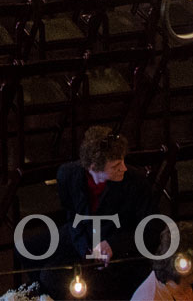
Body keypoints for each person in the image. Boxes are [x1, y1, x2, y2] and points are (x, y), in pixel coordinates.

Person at [43, 127, 157, 299]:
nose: (124, 168)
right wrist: (85, 249)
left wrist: (113, 245)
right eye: (116, 166)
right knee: (40, 267)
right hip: (85, 240)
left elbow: (151, 229)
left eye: (123, 161)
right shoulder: (67, 174)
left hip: (121, 251)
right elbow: (72, 216)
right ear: (93, 167)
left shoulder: (136, 183)